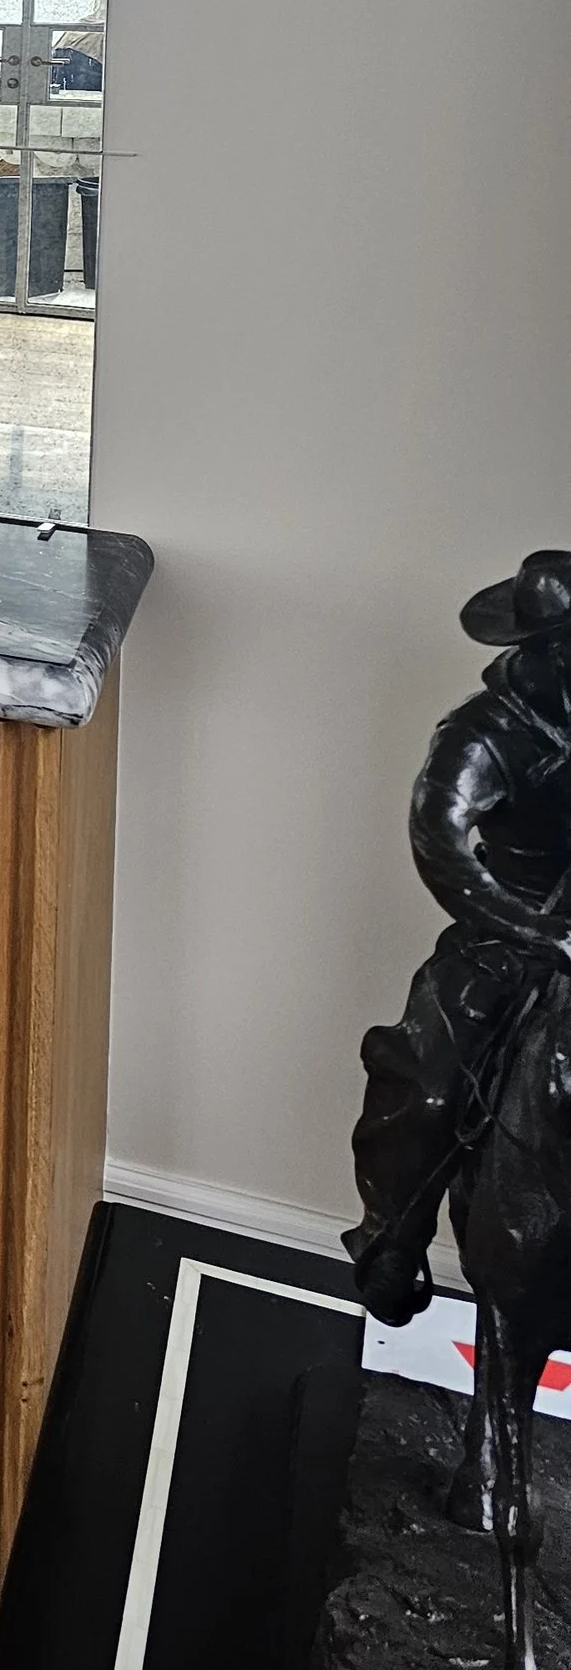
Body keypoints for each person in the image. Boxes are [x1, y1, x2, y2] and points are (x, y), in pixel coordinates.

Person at [347, 551, 571, 1324]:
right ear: (546, 647)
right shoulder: (481, 736)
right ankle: (392, 1240)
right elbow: (440, 844)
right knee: (431, 1085)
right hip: (508, 938)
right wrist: (540, 931)